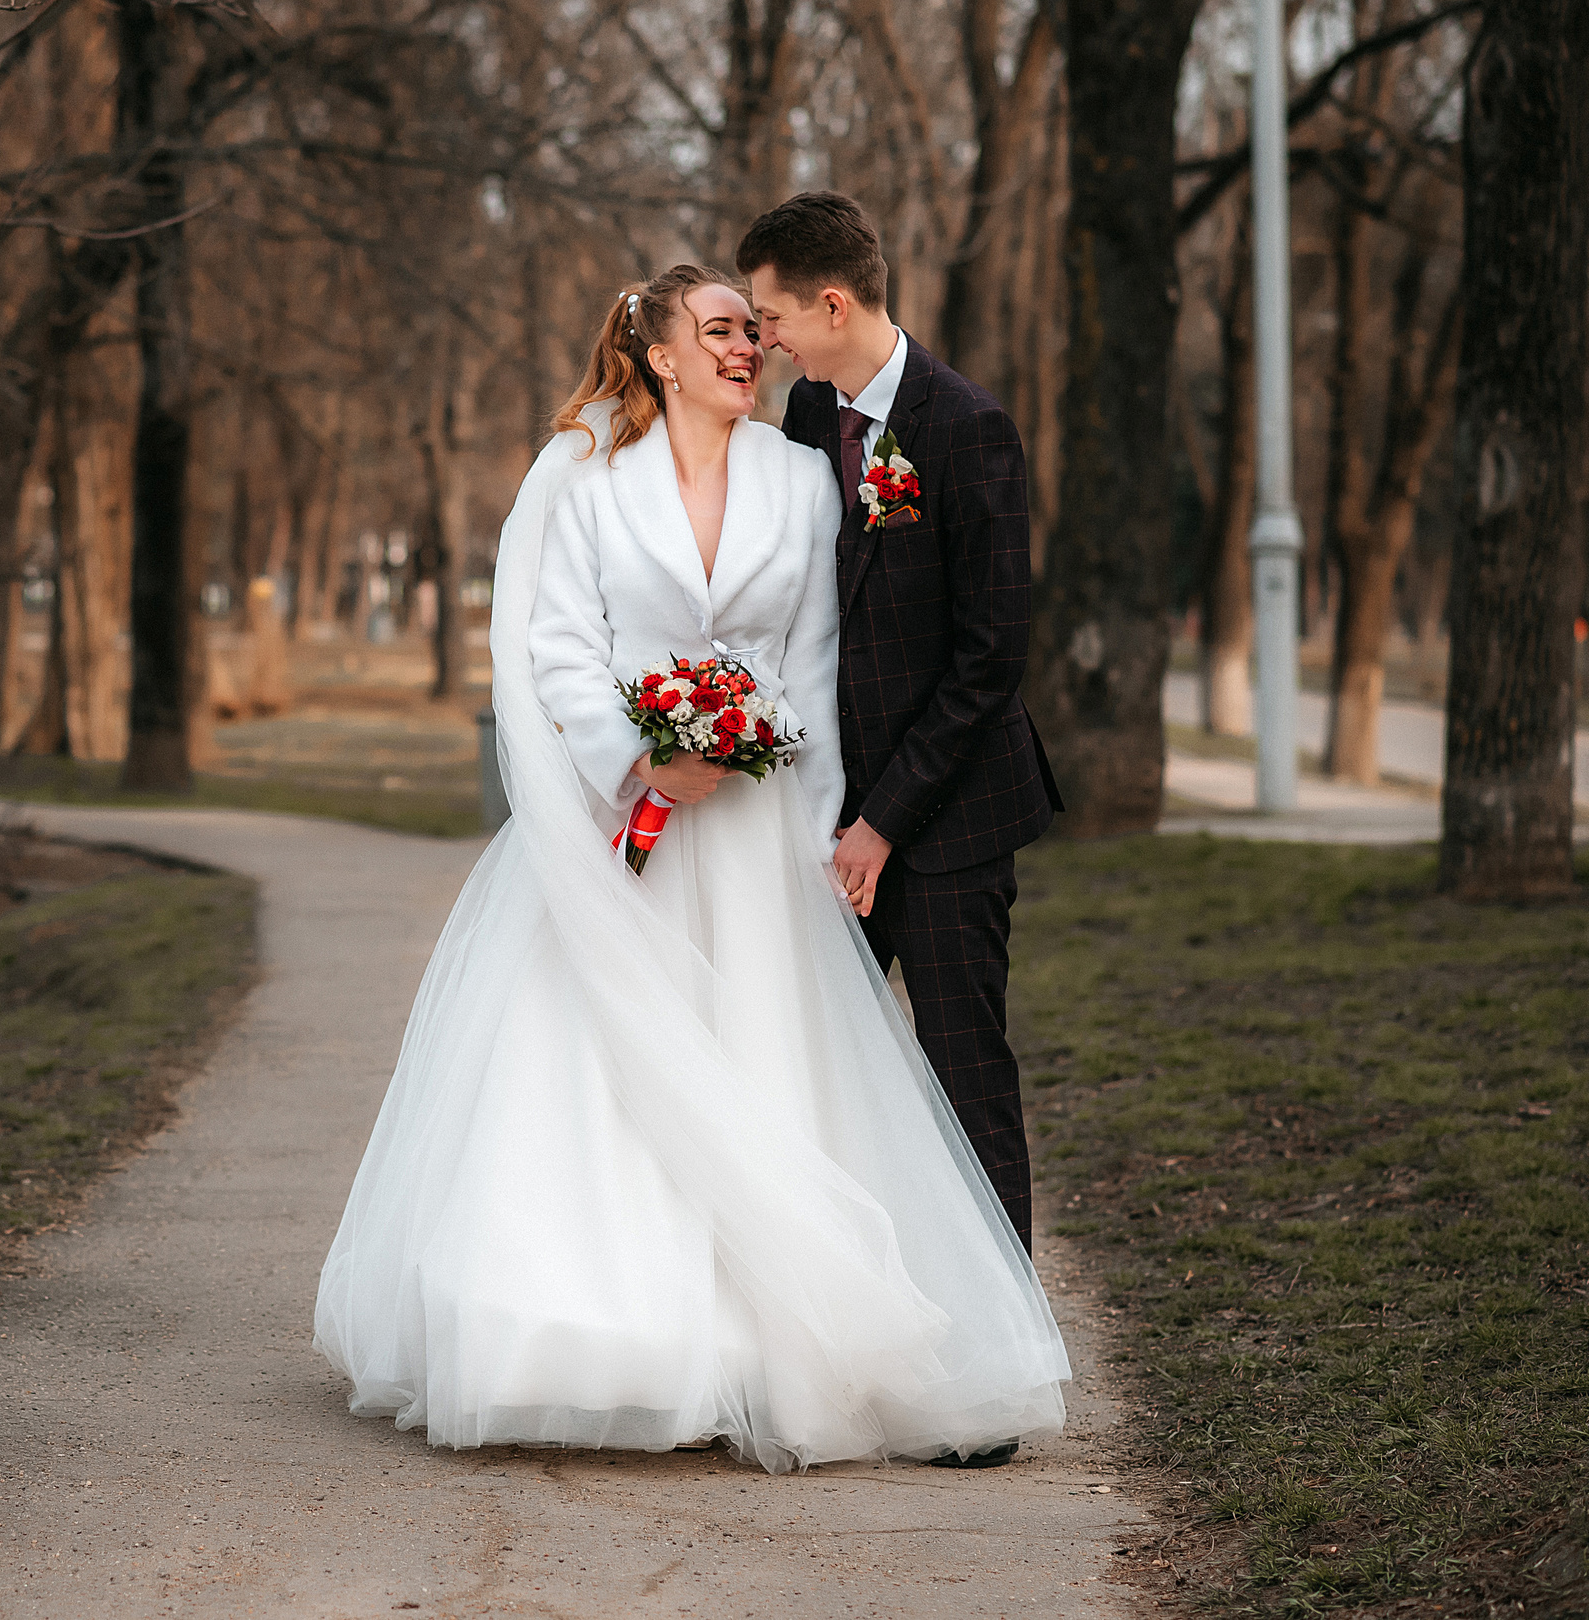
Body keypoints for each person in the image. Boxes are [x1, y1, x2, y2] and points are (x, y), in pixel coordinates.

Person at [312, 263, 1070, 1473]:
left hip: (763, 835)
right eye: (720, 330)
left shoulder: (795, 472)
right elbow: (558, 648)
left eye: (750, 330)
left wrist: (829, 824)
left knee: (766, 1069)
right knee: (602, 1078)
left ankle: (770, 1349)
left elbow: (812, 660)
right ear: (659, 353)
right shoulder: (587, 476)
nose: (746, 347)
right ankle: (608, 1336)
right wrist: (638, 763)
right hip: (631, 830)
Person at [736, 191, 1062, 1284]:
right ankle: (835, 1312)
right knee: (805, 1062)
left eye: (772, 317)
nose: (762, 337)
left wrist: (883, 820)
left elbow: (989, 657)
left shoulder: (966, 428)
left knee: (963, 1073)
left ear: (833, 303)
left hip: (951, 820)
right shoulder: (806, 419)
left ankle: (997, 1349)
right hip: (833, 820)